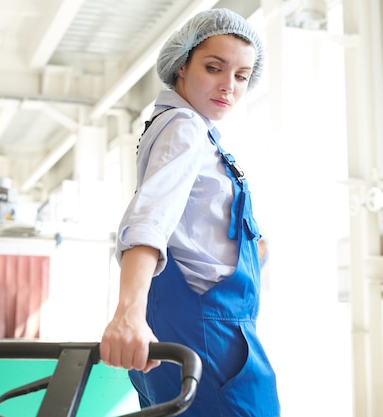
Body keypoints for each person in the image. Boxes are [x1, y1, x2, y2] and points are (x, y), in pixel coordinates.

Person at [99, 8, 280, 417]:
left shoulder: (188, 131)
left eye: (241, 76)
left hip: (195, 330)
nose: (228, 86)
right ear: (182, 64)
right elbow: (148, 220)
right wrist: (127, 314)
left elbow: (189, 228)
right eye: (214, 67)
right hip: (209, 335)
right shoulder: (185, 128)